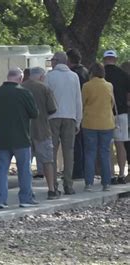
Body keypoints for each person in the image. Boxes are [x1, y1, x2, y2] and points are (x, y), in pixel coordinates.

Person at [0, 68, 38, 208]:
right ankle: (25, 198)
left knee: (1, 170)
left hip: (2, 137)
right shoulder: (24, 93)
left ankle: (0, 199)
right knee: (24, 169)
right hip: (21, 137)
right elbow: (34, 113)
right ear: (20, 79)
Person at [45, 51, 82, 195]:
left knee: (52, 152)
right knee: (69, 152)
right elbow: (78, 100)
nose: (52, 62)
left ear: (57, 61)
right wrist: (78, 120)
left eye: (53, 60)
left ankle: (53, 184)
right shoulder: (74, 77)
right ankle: (68, 184)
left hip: (53, 117)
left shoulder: (50, 76)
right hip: (70, 117)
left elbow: (46, 98)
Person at [22, 67, 60, 199]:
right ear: (41, 76)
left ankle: (27, 190)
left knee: (25, 162)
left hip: (24, 130)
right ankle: (51, 189)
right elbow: (52, 109)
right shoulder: (44, 88)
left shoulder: (21, 88)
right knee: (47, 161)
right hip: (42, 129)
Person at [81, 63, 115, 191]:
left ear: (91, 73)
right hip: (107, 123)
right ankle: (106, 183)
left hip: (90, 122)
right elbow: (111, 103)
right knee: (104, 153)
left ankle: (89, 183)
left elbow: (83, 102)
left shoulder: (87, 86)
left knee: (90, 153)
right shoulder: (109, 85)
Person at [103, 50, 130, 185]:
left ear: (104, 59)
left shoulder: (101, 74)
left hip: (105, 113)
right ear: (116, 59)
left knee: (107, 145)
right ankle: (121, 174)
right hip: (122, 113)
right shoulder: (124, 75)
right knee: (121, 144)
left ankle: (110, 175)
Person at [66, 48, 90, 180]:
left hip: (76, 111)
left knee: (76, 143)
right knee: (82, 142)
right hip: (85, 110)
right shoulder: (85, 71)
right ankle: (84, 170)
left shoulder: (73, 74)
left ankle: (77, 171)